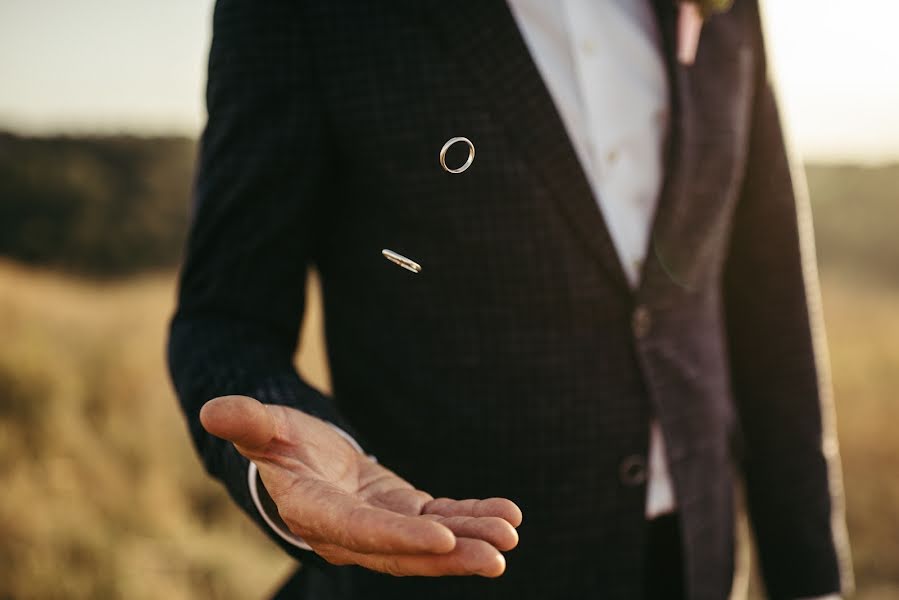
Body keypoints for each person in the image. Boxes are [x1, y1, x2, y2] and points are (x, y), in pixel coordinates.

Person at [167, 0, 852, 598]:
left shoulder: (728, 7)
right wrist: (294, 458)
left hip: (696, 560)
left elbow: (767, 294)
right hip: (449, 571)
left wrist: (808, 579)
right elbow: (225, 317)